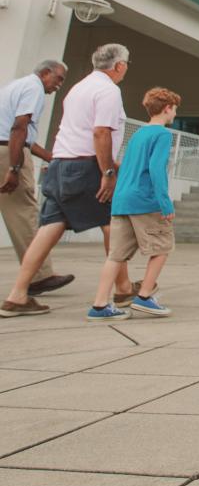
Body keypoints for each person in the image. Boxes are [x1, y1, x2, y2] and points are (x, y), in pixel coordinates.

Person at [1, 43, 133, 318]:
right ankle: (119, 290)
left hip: (60, 163)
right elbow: (100, 133)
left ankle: (18, 294)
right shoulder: (108, 90)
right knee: (112, 223)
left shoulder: (79, 87)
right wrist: (108, 172)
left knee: (50, 226)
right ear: (119, 65)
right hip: (86, 166)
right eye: (126, 65)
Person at [88, 88, 181, 320]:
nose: (175, 114)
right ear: (167, 108)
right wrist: (165, 203)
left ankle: (99, 305)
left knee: (115, 255)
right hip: (145, 200)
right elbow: (157, 170)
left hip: (122, 200)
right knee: (162, 247)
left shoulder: (138, 134)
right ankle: (145, 296)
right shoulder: (162, 134)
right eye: (175, 109)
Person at [0, 60, 72, 297]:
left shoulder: (15, 86)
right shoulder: (34, 89)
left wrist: (53, 157)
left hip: (7, 147)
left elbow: (27, 138)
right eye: (58, 79)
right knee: (25, 213)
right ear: (44, 73)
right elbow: (18, 129)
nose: (59, 85)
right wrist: (14, 167)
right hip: (8, 152)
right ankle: (39, 275)